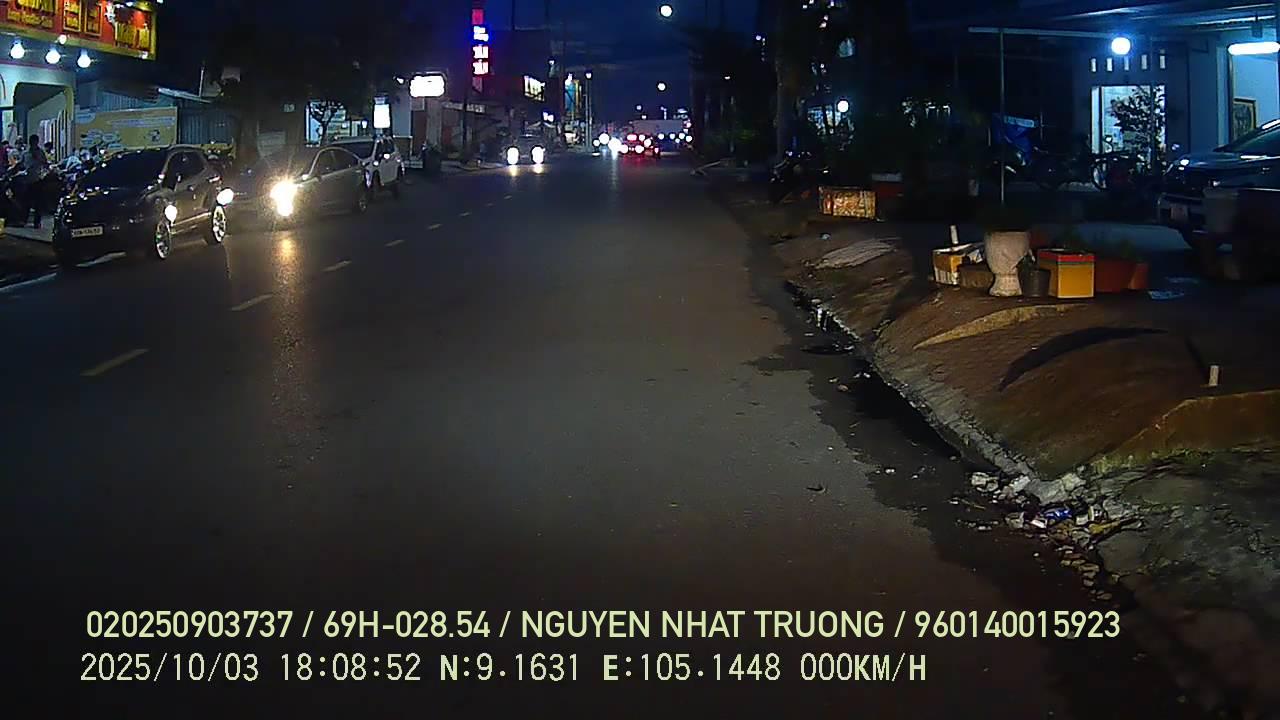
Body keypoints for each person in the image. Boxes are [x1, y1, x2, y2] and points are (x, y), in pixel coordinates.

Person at [20, 135, 51, 228]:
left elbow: (45, 164)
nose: (33, 144)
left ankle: (37, 222)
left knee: (38, 203)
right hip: (27, 180)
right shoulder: (25, 153)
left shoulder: (41, 152)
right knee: (26, 202)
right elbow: (21, 164)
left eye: (35, 142)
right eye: (32, 142)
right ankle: (24, 220)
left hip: (37, 180)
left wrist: (43, 173)